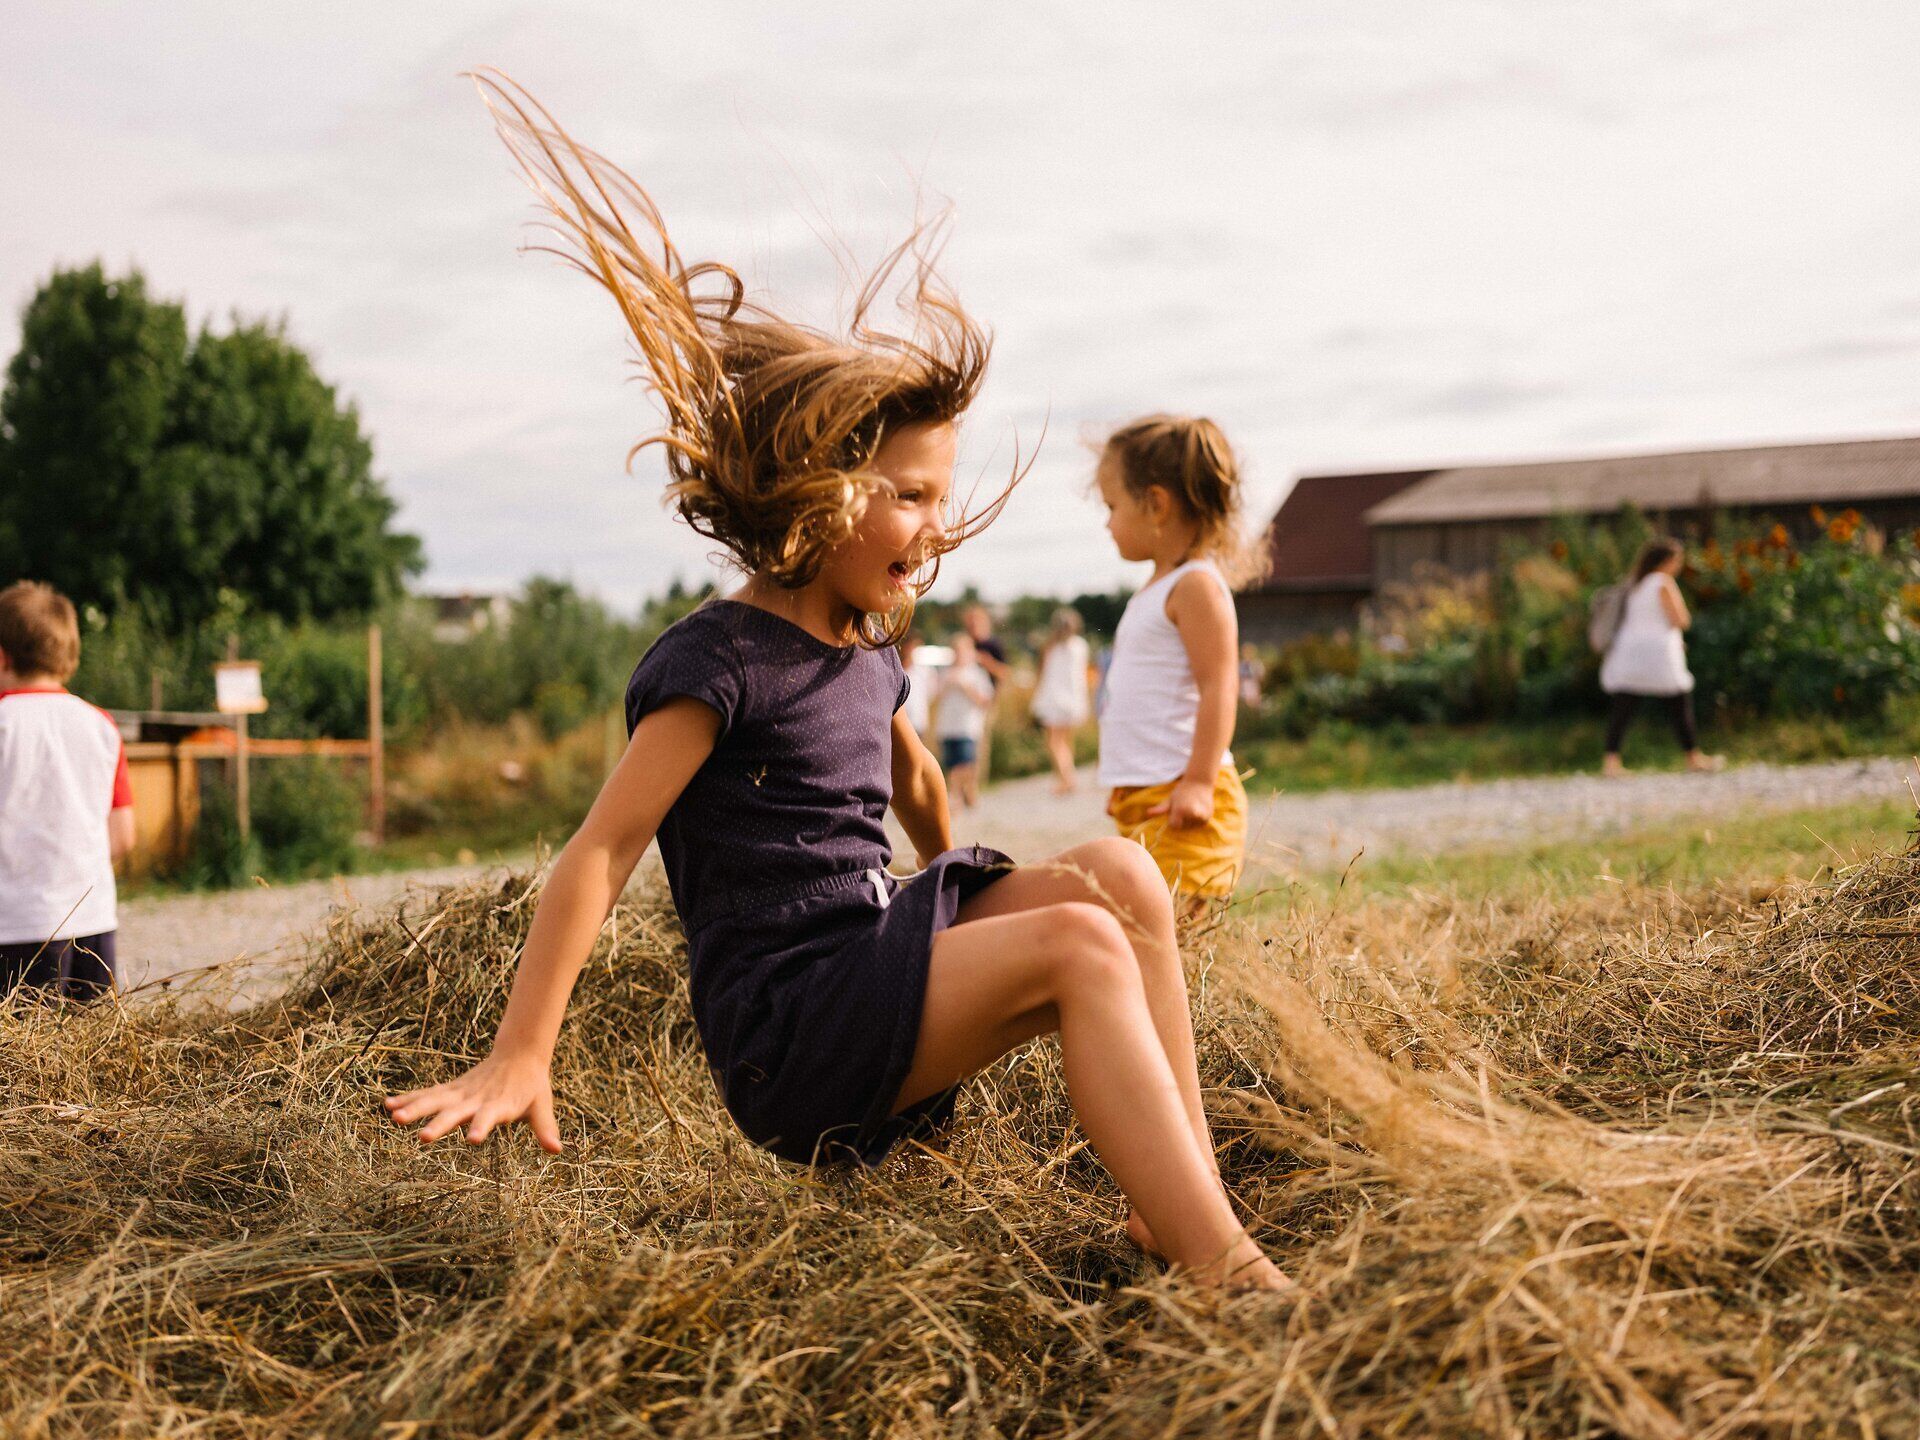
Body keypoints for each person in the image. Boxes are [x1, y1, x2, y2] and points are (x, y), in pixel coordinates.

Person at [386, 75, 1288, 1291]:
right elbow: (602, 849)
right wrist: (520, 1052)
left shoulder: (868, 643)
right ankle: (1228, 1274)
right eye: (911, 493)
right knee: (1080, 941)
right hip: (791, 1035)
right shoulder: (716, 662)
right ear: (820, 494)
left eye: (940, 491)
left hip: (872, 948)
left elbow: (908, 772)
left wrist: (953, 881)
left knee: (1121, 877)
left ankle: (1174, 1203)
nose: (938, 517)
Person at [1094, 415, 1263, 909]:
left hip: (1182, 798)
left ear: (1156, 504)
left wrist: (1200, 782)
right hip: (1148, 796)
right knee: (1143, 923)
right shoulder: (1157, 588)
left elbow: (1219, 686)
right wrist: (1125, 782)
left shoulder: (1196, 586)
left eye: (1112, 506)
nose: (1107, 522)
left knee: (1171, 933)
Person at [0, 580, 136, 1001]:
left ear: (1, 657)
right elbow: (123, 836)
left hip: (14, 925)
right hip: (92, 924)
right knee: (92, 1057)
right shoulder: (100, 726)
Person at [1599, 537, 1722, 777]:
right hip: (1658, 652)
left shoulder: (1635, 584)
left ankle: (1611, 762)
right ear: (1667, 561)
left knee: (1624, 706)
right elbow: (1681, 619)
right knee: (1678, 701)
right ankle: (1692, 757)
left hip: (1629, 652)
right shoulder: (1663, 582)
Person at [1030, 606, 1092, 793]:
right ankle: (1064, 777)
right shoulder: (1081, 646)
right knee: (1065, 741)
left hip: (1053, 699)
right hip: (1074, 699)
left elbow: (1041, 674)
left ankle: (1067, 778)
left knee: (1054, 742)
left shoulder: (1050, 647)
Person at [933, 631, 993, 809]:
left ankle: (956, 795)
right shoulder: (946, 672)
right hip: (947, 726)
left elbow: (985, 700)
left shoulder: (976, 674)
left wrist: (965, 687)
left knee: (965, 762)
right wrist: (948, 684)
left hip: (968, 726)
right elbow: (935, 696)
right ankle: (965, 793)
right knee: (953, 763)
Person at [898, 631, 934, 737]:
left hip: (917, 723)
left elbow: (930, 694)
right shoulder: (897, 671)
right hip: (899, 723)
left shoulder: (925, 672)